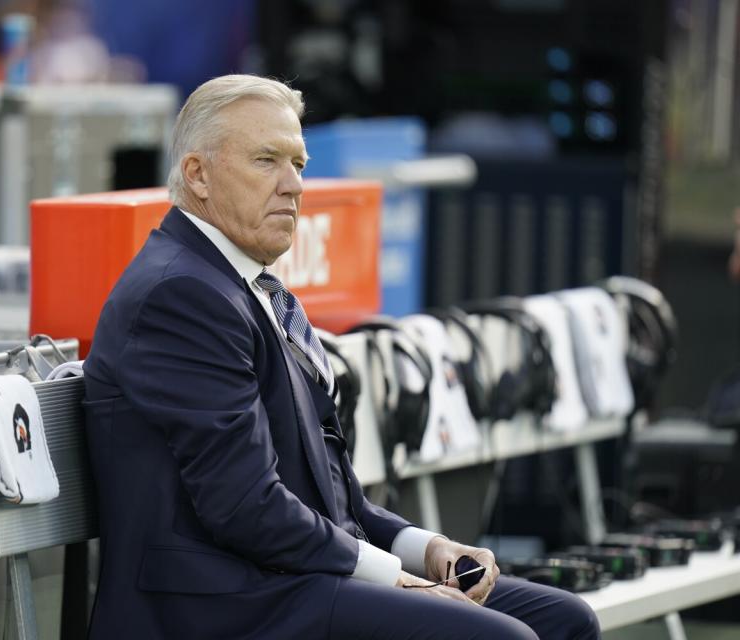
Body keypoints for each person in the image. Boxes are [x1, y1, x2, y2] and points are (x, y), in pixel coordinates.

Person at [82, 74, 600, 639]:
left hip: (283, 577)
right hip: (219, 606)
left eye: (299, 164)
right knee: (505, 639)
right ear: (198, 176)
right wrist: (390, 576)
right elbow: (245, 506)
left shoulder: (243, 286)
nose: (294, 185)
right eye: (266, 161)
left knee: (565, 622)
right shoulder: (182, 294)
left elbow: (333, 498)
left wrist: (425, 550)